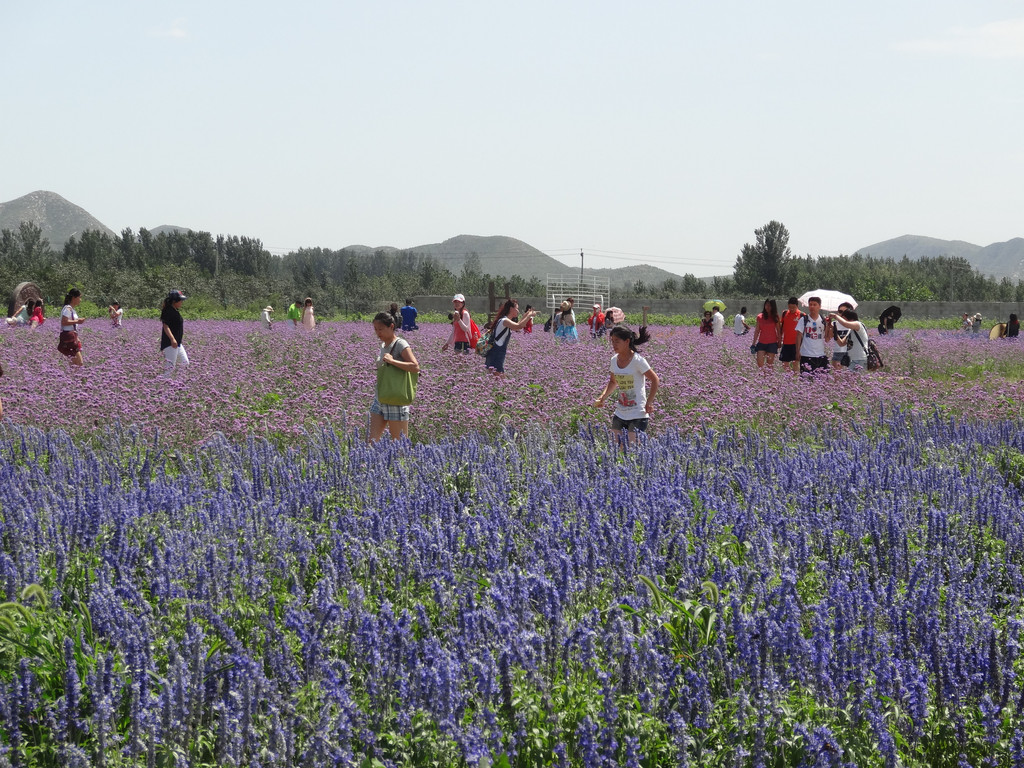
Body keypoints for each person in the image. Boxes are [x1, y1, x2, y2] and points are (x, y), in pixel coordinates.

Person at [592, 325, 660, 446]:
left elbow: (655, 380)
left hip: (638, 413)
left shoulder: (638, 360)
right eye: (612, 341)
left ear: (627, 341)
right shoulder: (614, 360)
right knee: (615, 448)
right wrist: (603, 397)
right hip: (620, 412)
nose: (613, 344)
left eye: (617, 341)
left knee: (632, 450)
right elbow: (613, 382)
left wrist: (649, 402)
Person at [368, 311, 420, 441]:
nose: (377, 333)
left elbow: (415, 367)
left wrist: (392, 361)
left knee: (399, 444)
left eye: (380, 329)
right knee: (371, 442)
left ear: (391, 327)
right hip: (380, 397)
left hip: (396, 399)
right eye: (375, 329)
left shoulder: (400, 344)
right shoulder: (383, 345)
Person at [484, 299, 538, 375]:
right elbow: (519, 325)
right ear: (511, 309)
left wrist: (526, 315)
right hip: (496, 353)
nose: (518, 311)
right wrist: (529, 316)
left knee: (498, 378)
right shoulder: (505, 321)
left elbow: (518, 327)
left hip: (496, 352)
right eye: (517, 308)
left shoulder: (504, 320)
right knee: (499, 378)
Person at [794, 296, 832, 375]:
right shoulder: (803, 319)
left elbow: (827, 339)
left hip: (820, 355)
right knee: (806, 380)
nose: (812, 307)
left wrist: (829, 326)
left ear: (819, 306)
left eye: (815, 305)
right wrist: (797, 351)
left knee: (823, 380)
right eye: (810, 304)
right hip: (806, 354)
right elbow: (798, 336)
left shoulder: (823, 320)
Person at [159, 290, 189, 379]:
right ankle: (164, 384)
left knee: (185, 362)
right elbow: (166, 326)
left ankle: (178, 382)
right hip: (171, 343)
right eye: (180, 300)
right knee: (170, 367)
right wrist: (172, 339)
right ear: (174, 301)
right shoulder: (168, 311)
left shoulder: (174, 310)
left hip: (177, 343)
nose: (181, 302)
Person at [751, 299, 781, 369]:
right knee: (760, 363)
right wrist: (753, 343)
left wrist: (779, 341)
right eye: (766, 305)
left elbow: (778, 330)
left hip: (772, 343)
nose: (768, 307)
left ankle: (768, 378)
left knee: (769, 365)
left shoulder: (775, 317)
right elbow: (757, 330)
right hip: (761, 343)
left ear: (773, 307)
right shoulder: (760, 317)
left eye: (770, 305)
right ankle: (764, 377)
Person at [58, 289, 85, 366]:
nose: (80, 299)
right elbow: (64, 321)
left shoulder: (71, 309)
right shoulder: (68, 308)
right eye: (79, 297)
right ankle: (74, 377)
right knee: (79, 363)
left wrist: (77, 338)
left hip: (72, 336)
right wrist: (77, 321)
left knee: (74, 363)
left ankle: (71, 377)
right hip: (69, 337)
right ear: (74, 298)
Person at [778, 297, 805, 373]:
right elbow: (781, 327)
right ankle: (790, 377)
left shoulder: (802, 315)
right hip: (786, 342)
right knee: (784, 363)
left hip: (797, 343)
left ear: (797, 306)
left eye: (793, 307)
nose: (791, 309)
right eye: (790, 307)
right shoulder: (784, 313)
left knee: (796, 363)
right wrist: (779, 339)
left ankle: (795, 379)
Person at [830, 301, 854, 370]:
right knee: (837, 378)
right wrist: (829, 326)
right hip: (838, 352)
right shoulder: (834, 323)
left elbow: (842, 343)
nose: (842, 314)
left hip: (851, 353)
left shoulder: (853, 324)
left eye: (845, 312)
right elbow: (828, 338)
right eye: (840, 311)